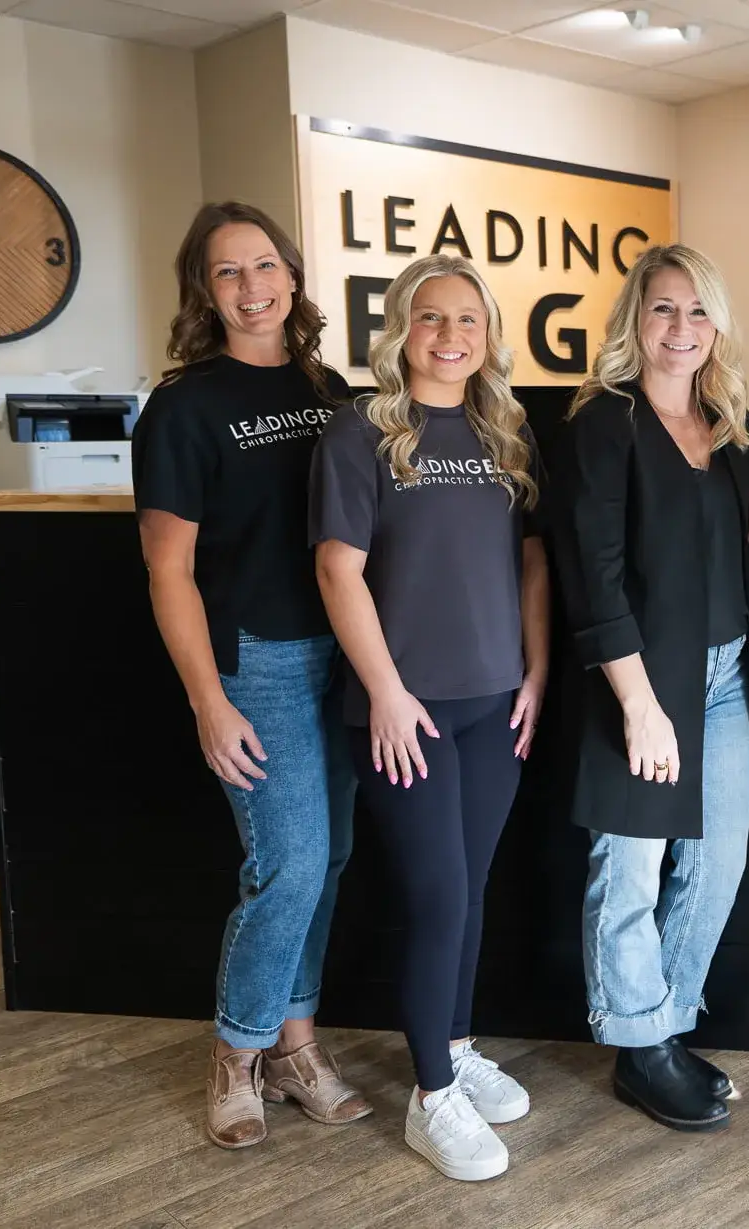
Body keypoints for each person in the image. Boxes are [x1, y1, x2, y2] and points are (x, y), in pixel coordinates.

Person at [132, 202, 368, 1151]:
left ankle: (295, 1046)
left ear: (294, 274)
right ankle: (237, 1049)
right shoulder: (183, 407)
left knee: (331, 862)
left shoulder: (334, 388)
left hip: (345, 652)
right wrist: (206, 699)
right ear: (204, 290)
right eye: (228, 272)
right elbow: (167, 569)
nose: (252, 286)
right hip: (257, 662)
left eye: (265, 264)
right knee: (290, 865)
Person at [309, 253, 549, 1182]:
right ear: (400, 330)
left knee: (474, 887)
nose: (451, 337)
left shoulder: (507, 432)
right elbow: (339, 570)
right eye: (430, 318)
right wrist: (386, 692)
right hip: (404, 711)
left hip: (497, 703)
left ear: (489, 336)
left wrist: (534, 673)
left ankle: (457, 1041)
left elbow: (533, 564)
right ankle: (431, 1093)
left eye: (469, 321)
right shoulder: (361, 434)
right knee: (438, 896)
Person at [552, 244, 749, 1133]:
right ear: (634, 320)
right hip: (643, 682)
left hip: (731, 674)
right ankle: (640, 1045)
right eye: (662, 309)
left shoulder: (730, 422)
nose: (681, 329)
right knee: (630, 866)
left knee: (717, 860)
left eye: (698, 312)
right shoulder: (604, 423)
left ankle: (664, 1023)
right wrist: (640, 704)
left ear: (716, 324)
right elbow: (594, 574)